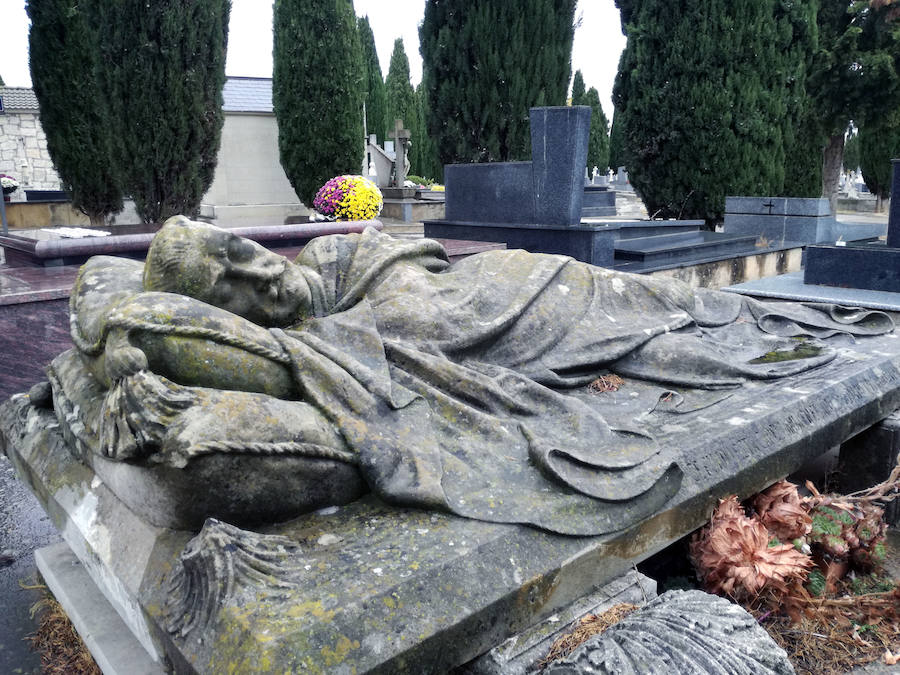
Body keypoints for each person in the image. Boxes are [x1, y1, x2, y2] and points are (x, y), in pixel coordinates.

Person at [72, 216, 894, 535]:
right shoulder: (313, 338)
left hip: (519, 285)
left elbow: (414, 274)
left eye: (242, 251)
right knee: (641, 323)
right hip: (501, 323)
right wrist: (120, 349)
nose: (259, 275)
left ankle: (709, 311)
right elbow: (106, 298)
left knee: (656, 305)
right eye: (234, 291)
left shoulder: (328, 254)